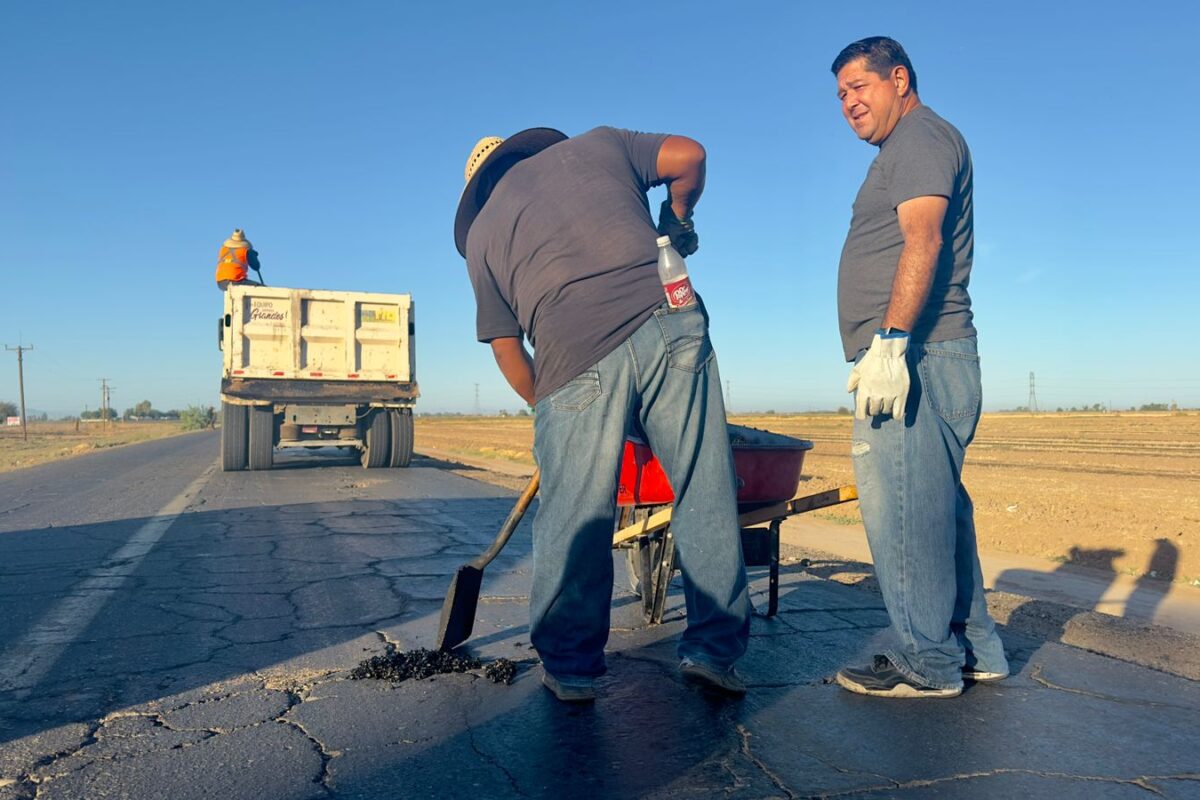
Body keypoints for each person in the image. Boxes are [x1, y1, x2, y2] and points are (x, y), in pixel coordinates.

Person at [454, 126, 751, 703]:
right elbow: (691, 155)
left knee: (576, 512)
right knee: (703, 486)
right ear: (532, 150)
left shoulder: (484, 235)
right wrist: (677, 218)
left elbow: (507, 349)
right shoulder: (600, 145)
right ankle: (714, 653)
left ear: (477, 191)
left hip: (572, 353)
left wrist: (552, 407)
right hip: (672, 320)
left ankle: (572, 668)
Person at [829, 37, 1008, 698]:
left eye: (859, 87)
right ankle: (975, 651)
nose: (849, 103)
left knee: (904, 513)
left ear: (898, 79)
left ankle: (928, 663)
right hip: (931, 355)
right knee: (936, 513)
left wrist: (892, 341)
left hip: (917, 359)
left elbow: (923, 238)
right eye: (841, 95)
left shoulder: (919, 140)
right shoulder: (909, 146)